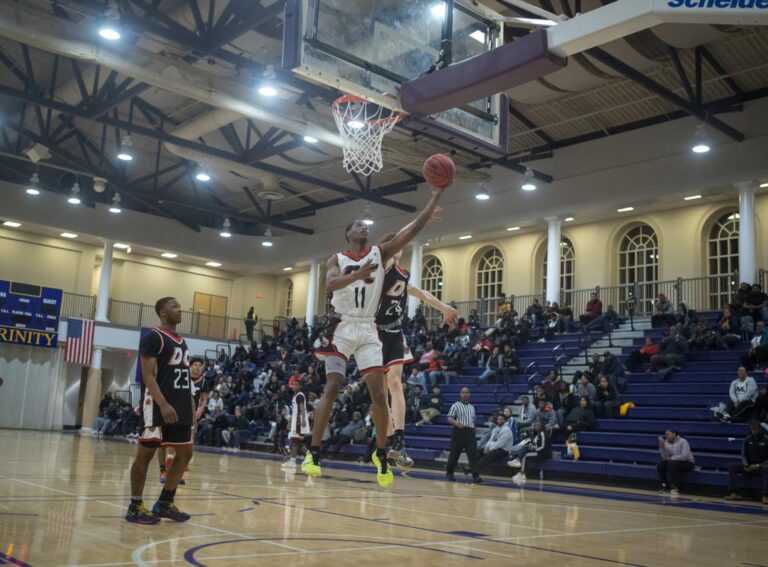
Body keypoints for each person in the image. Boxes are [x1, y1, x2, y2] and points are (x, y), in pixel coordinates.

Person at [307, 186, 445, 487]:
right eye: (358, 225)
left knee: (380, 394)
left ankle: (382, 456)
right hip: (342, 325)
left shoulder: (379, 253)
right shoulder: (337, 259)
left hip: (369, 328)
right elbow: (330, 286)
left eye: (366, 225)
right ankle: (313, 452)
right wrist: (358, 274)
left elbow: (412, 231)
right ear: (348, 234)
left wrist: (433, 199)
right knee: (333, 384)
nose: (363, 227)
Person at [374, 231, 458, 468]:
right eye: (393, 245)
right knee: (380, 394)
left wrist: (445, 308)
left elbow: (423, 294)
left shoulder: (402, 275)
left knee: (395, 384)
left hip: (394, 332)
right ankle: (388, 440)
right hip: (373, 333)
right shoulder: (378, 268)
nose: (398, 248)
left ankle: (399, 442)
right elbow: (387, 252)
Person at [126, 297, 194, 524]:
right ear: (162, 312)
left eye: (179, 305)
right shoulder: (153, 337)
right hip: (157, 405)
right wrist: (163, 404)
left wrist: (191, 408)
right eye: (175, 306)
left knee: (185, 453)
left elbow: (183, 377)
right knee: (146, 454)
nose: (180, 308)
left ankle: (165, 502)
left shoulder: (181, 340)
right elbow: (147, 376)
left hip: (180, 404)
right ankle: (135, 506)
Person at [724, 421, 768, 504]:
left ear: (760, 429)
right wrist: (746, 464)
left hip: (761, 466)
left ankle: (765, 496)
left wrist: (758, 465)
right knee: (732, 466)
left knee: (767, 469)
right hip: (749, 465)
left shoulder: (766, 440)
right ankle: (736, 493)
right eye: (752, 430)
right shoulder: (747, 440)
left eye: (755, 429)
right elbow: (743, 454)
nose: (753, 431)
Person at [446, 387, 481, 483]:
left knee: (473, 454)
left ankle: (476, 476)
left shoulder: (472, 407)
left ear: (470, 394)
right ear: (460, 394)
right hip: (458, 431)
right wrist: (456, 423)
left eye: (467, 392)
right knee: (454, 454)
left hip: (470, 432)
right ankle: (450, 473)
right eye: (463, 392)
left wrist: (473, 429)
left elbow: (473, 420)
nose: (465, 394)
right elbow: (449, 418)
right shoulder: (456, 405)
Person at [656, 429, 695, 496]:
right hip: (674, 463)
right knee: (661, 464)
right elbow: (665, 457)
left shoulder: (683, 441)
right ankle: (665, 485)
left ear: (674, 434)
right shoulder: (666, 442)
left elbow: (685, 456)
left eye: (668, 434)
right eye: (666, 435)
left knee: (671, 464)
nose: (667, 436)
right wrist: (662, 448)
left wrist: (672, 458)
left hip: (687, 463)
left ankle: (675, 488)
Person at [282, 379, 309, 469]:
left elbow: (302, 408)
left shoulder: (300, 396)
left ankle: (293, 462)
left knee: (295, 442)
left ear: (300, 386)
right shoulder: (295, 396)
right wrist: (290, 422)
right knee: (297, 443)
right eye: (293, 384)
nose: (294, 386)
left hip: (299, 421)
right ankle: (311, 456)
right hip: (295, 421)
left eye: (296, 384)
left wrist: (303, 420)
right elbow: (294, 411)